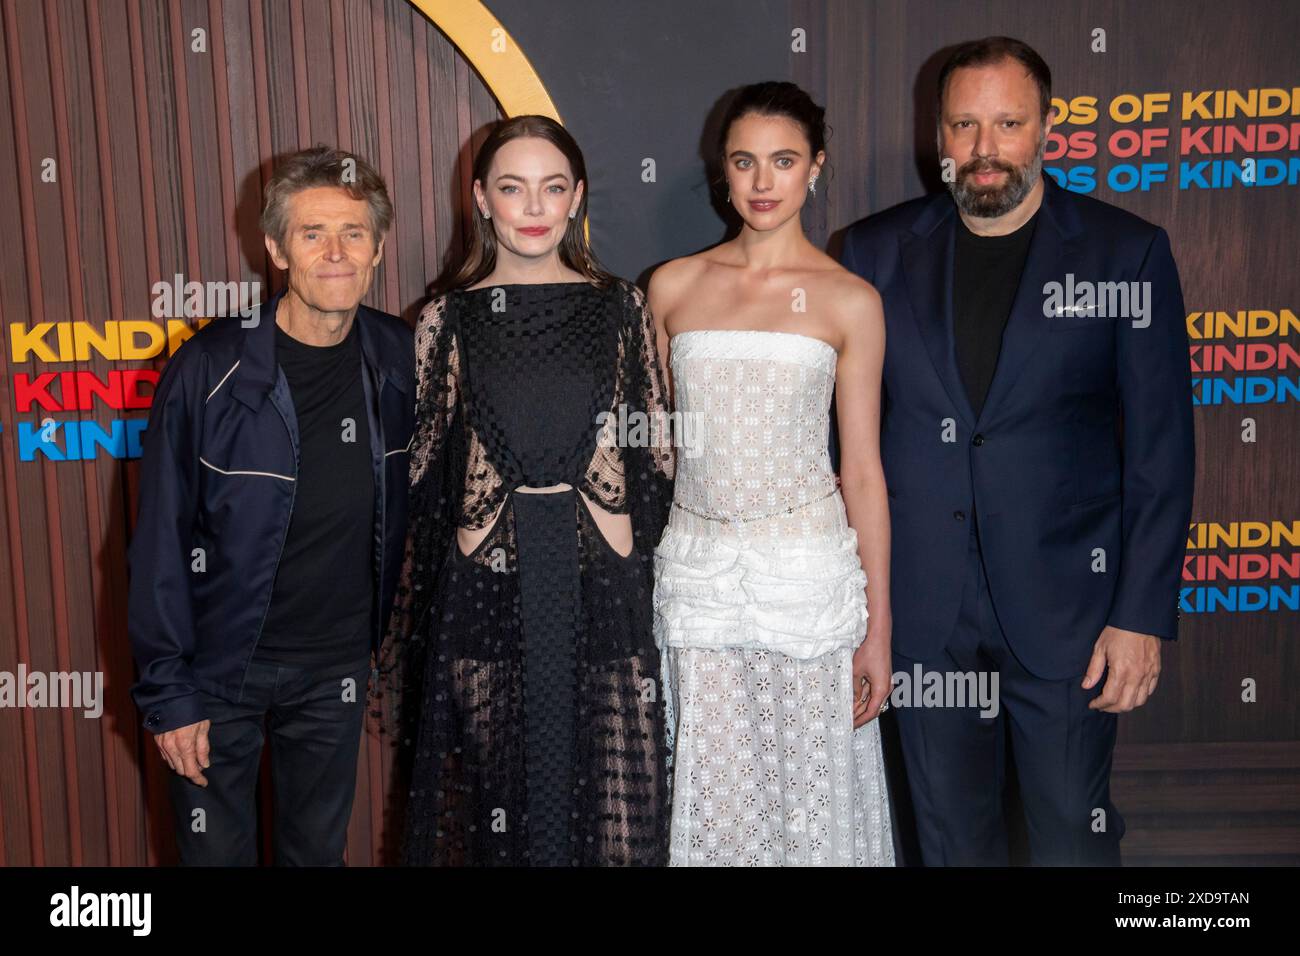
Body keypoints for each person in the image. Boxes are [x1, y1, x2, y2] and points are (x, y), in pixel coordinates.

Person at [838, 36, 1195, 865]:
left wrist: (1139, 615)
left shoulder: (1125, 253)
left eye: (1007, 123)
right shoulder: (872, 254)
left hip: (1070, 606)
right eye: (965, 125)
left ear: (1047, 129)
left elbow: (1161, 454)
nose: (985, 149)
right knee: (951, 839)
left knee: (1070, 827)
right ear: (939, 136)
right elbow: (841, 443)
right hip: (921, 607)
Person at [384, 115, 675, 866]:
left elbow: (654, 452)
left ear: (577, 196)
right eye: (513, 188)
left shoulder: (620, 306)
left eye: (552, 188)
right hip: (486, 589)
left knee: (614, 816)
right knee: (499, 816)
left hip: (600, 580)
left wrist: (618, 526)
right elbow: (421, 470)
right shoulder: (446, 317)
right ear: (481, 199)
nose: (534, 206)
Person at [128, 146, 415, 865]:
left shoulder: (402, 359)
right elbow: (159, 542)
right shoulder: (208, 369)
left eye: (353, 232)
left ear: (378, 246)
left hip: (337, 670)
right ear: (276, 249)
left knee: (314, 857)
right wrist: (169, 694)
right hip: (220, 671)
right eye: (312, 233)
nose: (335, 253)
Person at [649, 82, 895, 866]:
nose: (762, 182)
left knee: (810, 808)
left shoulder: (850, 299)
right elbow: (658, 454)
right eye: (745, 161)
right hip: (698, 580)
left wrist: (878, 631)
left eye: (783, 162)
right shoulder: (673, 287)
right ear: (722, 170)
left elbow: (862, 471)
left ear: (814, 168)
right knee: (714, 805)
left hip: (808, 586)